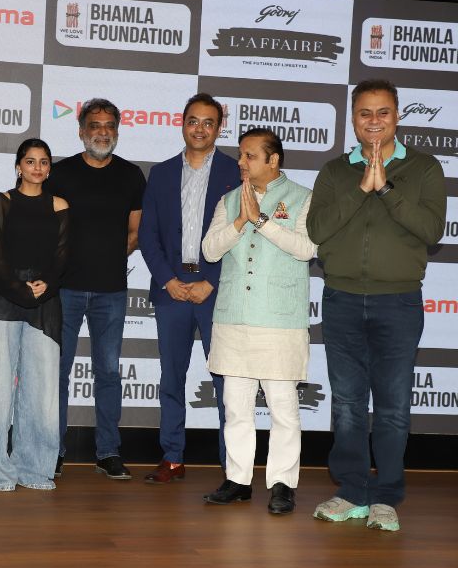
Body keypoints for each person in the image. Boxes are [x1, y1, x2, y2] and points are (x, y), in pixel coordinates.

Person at [307, 79, 446, 531]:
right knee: (348, 404)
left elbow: (432, 231)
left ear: (397, 116)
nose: (374, 121)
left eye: (382, 112)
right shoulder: (335, 171)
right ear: (353, 118)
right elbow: (317, 231)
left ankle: (386, 497)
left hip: (399, 303)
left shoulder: (424, 168)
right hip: (342, 299)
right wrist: (361, 189)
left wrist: (385, 189)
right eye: (365, 113)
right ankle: (351, 492)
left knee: (393, 406)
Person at [201, 128, 316, 514]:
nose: (241, 162)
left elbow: (306, 249)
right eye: (241, 155)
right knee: (236, 405)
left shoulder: (303, 198)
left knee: (283, 406)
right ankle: (238, 480)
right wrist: (239, 221)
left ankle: (283, 484)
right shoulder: (229, 199)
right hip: (234, 316)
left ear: (273, 159)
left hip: (279, 320)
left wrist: (262, 221)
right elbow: (210, 251)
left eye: (249, 156)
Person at [139, 93, 240, 484]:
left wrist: (211, 281)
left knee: (226, 381)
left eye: (208, 122)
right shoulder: (161, 173)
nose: (200, 129)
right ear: (182, 124)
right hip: (172, 289)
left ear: (219, 128)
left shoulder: (236, 171)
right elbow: (148, 235)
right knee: (171, 377)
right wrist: (169, 280)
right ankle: (172, 457)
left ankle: (232, 465)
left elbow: (243, 232)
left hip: (217, 290)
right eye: (193, 121)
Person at [47, 98, 145, 480]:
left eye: (109, 126)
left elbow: (134, 232)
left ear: (116, 131)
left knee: (108, 372)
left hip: (111, 291)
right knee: (58, 373)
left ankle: (108, 452)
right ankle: (52, 451)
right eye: (95, 125)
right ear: (81, 131)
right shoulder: (60, 173)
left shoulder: (131, 176)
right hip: (65, 290)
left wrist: (105, 257)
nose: (102, 132)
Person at [0, 138, 69, 491]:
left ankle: (35, 470)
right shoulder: (3, 202)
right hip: (4, 297)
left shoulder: (60, 206)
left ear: (49, 168)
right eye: (30, 161)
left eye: (43, 162)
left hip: (46, 302)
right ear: (18, 166)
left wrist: (47, 285)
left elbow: (63, 255)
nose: (37, 168)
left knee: (42, 393)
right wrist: (18, 289)